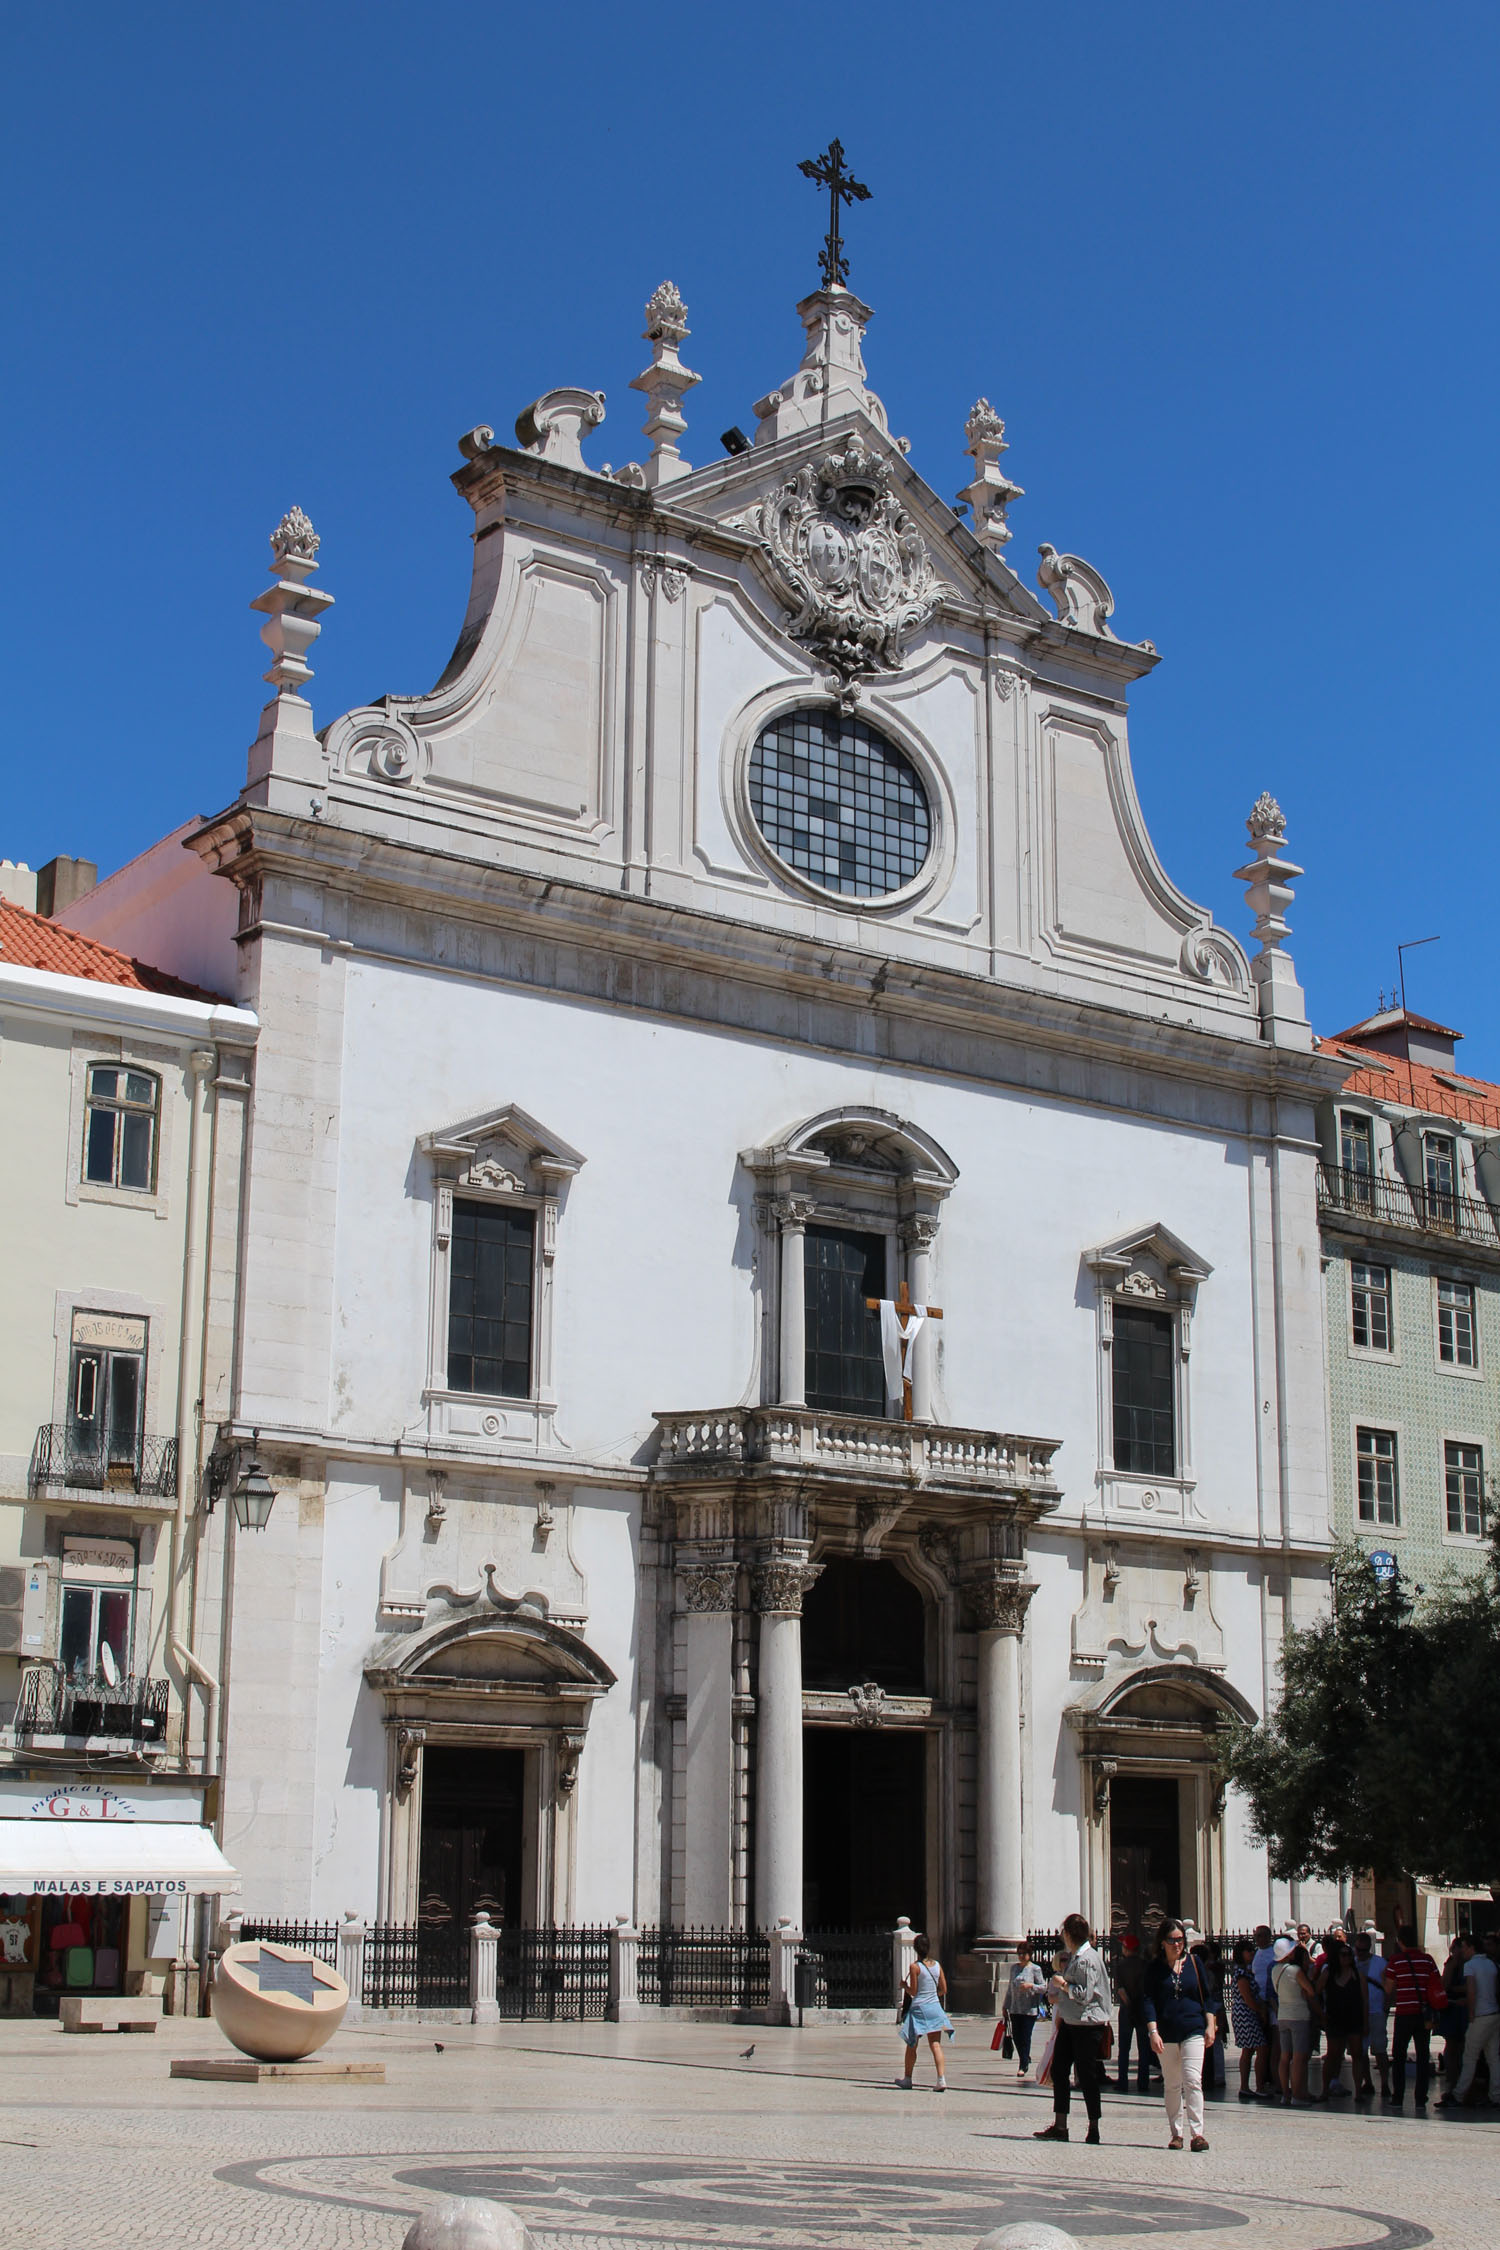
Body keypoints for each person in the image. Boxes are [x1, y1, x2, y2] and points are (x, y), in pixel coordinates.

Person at [1033, 1912, 1110, 2145]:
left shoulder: (1086, 1959)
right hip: (1071, 2022)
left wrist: (1063, 1984)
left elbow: (1083, 1995)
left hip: (1086, 2024)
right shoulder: (1078, 1956)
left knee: (1087, 2076)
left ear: (1068, 1934)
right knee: (1059, 2070)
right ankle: (1060, 2125)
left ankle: (1093, 2126)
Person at [1141, 1918, 1216, 2151]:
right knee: (1173, 2083)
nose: (1177, 1945)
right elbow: (1148, 2000)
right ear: (1162, 1942)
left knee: (1193, 2080)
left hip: (1193, 2028)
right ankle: (1176, 2133)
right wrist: (1152, 2031)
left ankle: (1198, 2133)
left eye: (1180, 1940)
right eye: (1172, 1940)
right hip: (1166, 2032)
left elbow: (1208, 1996)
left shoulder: (1194, 1963)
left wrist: (1210, 2025)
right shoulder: (1154, 1968)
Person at [1384, 1923, 1441, 2109]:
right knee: (1423, 2055)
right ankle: (1420, 2097)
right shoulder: (1428, 1960)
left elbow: (1388, 1989)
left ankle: (1398, 2096)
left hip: (1404, 2013)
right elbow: (1436, 1984)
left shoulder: (1395, 1961)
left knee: (1399, 2056)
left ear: (1400, 1942)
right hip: (1423, 2014)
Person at [1441, 1934, 1500, 2108]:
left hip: (1480, 2016)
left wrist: (1471, 2014)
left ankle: (1458, 2095)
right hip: (1495, 2014)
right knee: (1493, 2058)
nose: (1463, 1951)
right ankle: (1496, 2096)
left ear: (1472, 1948)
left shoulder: (1471, 1965)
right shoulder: (1492, 1964)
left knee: (1469, 2057)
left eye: (1465, 1947)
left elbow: (1472, 1990)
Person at [897, 1933, 952, 2092]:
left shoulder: (915, 1967)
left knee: (912, 2044)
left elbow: (913, 1991)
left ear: (915, 1949)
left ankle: (907, 2079)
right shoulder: (937, 1965)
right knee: (935, 2044)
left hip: (919, 2009)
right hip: (935, 2007)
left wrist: (904, 1986)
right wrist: (933, 1997)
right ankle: (941, 2079)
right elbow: (944, 1989)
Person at [1272, 1938, 1319, 2106]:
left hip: (1282, 2016)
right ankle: (1298, 2095)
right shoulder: (1295, 1970)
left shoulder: (1275, 1970)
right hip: (1298, 2016)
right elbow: (1310, 1990)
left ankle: (1286, 2094)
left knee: (1284, 2057)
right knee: (1299, 2058)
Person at [1319, 1938, 1367, 2099]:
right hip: (1335, 2018)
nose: (1347, 1958)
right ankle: (1325, 2090)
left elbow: (1364, 1999)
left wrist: (1366, 2022)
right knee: (1333, 2055)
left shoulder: (1358, 1975)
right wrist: (1321, 2013)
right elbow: (1314, 1991)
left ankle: (1358, 2092)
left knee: (1357, 2054)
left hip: (1354, 2018)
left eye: (1349, 1955)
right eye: (1343, 1955)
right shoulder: (1328, 1974)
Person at [1230, 1937, 1271, 2100]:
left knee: (1248, 2050)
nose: (1252, 1953)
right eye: (1249, 1951)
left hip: (1246, 2013)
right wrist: (1260, 2011)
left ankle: (1246, 2086)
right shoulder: (1241, 1974)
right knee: (1261, 2048)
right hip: (1245, 2014)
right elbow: (1248, 1998)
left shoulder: (1247, 1971)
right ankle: (1258, 2086)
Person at [1003, 1941, 1047, 2081]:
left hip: (1029, 2009)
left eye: (1024, 1954)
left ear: (1030, 1954)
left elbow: (1043, 1987)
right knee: (1016, 2035)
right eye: (1019, 1954)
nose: (1021, 1957)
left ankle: (1023, 2064)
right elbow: (1010, 1988)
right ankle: (1025, 2056)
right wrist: (1005, 2005)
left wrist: (1030, 1986)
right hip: (1015, 2008)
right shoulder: (1014, 1968)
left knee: (1026, 2036)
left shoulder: (1035, 1969)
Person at [1114, 1934, 1151, 2095]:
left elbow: (1121, 1990)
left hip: (1127, 2010)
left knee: (1124, 2048)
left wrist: (1129, 2004)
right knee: (1144, 2048)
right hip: (1142, 2009)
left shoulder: (1120, 1966)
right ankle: (1143, 2081)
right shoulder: (1145, 1965)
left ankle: (1123, 2081)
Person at [1356, 1929, 1390, 2099]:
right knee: (1360, 2051)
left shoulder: (1380, 1963)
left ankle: (1384, 2083)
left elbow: (1389, 1987)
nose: (1359, 1953)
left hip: (1376, 2011)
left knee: (1380, 2050)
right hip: (1358, 2012)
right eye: (1357, 1949)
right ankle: (1367, 2082)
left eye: (1363, 1950)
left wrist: (1386, 2006)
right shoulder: (1352, 1963)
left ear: (1369, 1948)